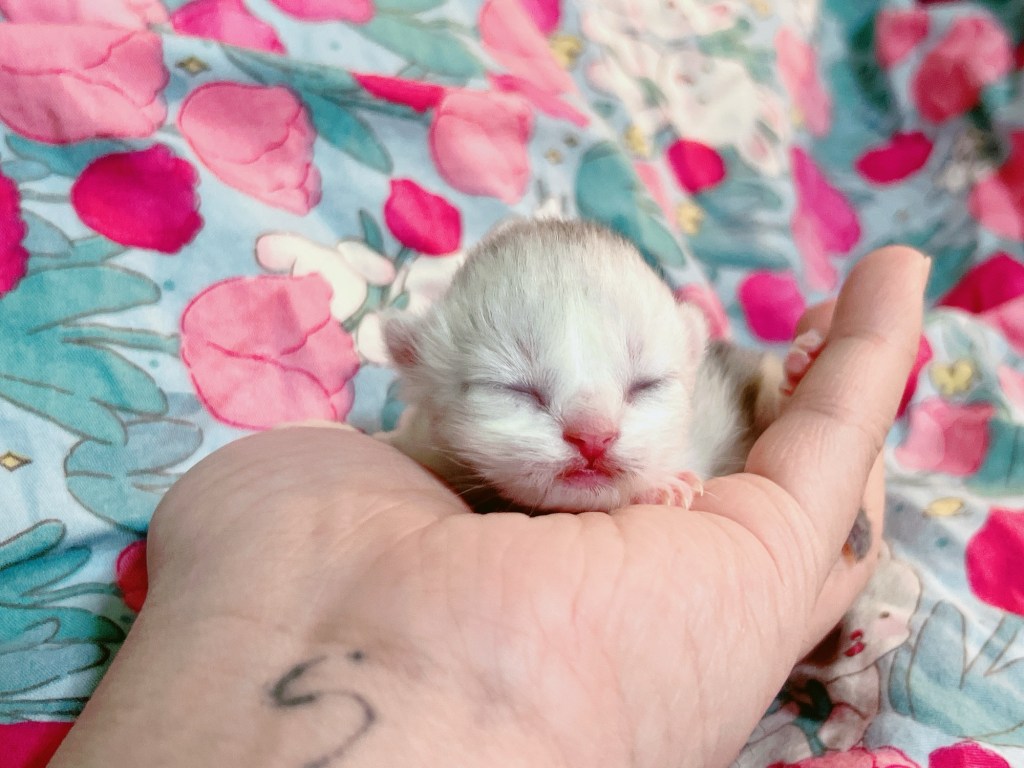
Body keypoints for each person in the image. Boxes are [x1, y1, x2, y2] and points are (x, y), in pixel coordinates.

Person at [49, 246, 929, 768]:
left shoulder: (698, 394)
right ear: (420, 380)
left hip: (731, 399)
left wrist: (760, 410)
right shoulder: (392, 464)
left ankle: (774, 390)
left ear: (683, 362)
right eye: (516, 390)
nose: (595, 431)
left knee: (771, 405)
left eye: (646, 386)